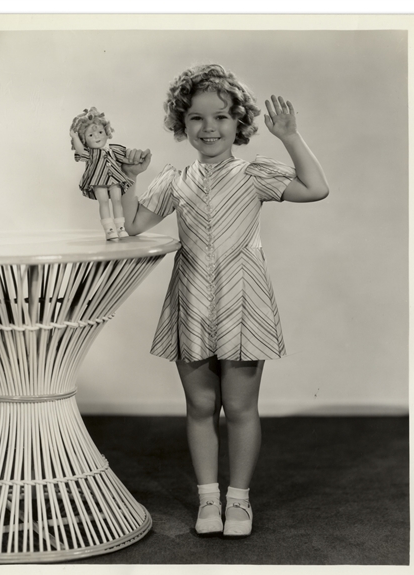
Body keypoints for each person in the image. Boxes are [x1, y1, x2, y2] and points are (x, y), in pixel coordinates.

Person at [120, 64, 329, 537]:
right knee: (199, 405)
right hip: (192, 298)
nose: (209, 128)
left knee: (239, 407)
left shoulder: (253, 174)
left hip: (243, 299)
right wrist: (131, 178)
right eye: (196, 118)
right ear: (182, 123)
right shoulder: (175, 179)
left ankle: (239, 502)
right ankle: (208, 501)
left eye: (220, 117)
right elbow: (133, 224)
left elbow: (316, 188)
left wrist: (291, 137)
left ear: (239, 123)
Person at [70, 107, 137, 240]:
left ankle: (121, 227)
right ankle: (109, 229)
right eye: (90, 135)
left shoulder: (113, 149)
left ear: (107, 132)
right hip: (98, 180)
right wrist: (74, 136)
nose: (97, 136)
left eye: (100, 132)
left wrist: (137, 156)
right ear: (84, 140)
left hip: (114, 179)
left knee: (117, 200)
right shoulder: (90, 153)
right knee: (104, 202)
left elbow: (127, 155)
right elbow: (80, 151)